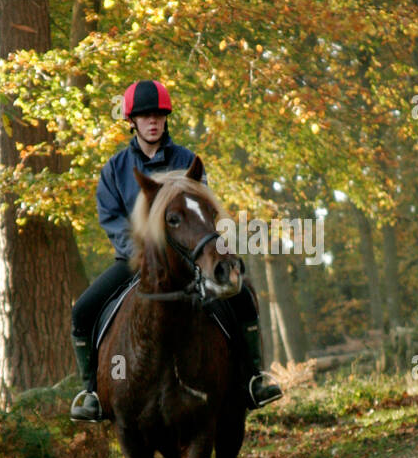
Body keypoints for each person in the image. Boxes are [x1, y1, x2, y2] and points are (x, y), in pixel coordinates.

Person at [70, 79, 282, 421]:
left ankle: (254, 378)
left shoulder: (187, 161)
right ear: (133, 122)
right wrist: (139, 254)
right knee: (82, 311)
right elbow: (110, 218)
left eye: (158, 115)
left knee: (241, 296)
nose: (152, 121)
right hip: (135, 261)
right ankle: (91, 392)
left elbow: (205, 211)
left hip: (188, 261)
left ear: (166, 119)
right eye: (145, 116)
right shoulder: (115, 169)